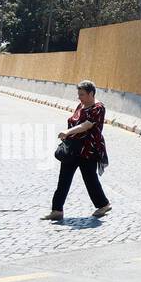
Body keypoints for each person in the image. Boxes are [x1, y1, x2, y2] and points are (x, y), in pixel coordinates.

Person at [43, 80, 111, 221]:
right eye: (78, 94)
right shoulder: (81, 105)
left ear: (91, 93)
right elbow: (75, 121)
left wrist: (67, 132)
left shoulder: (98, 108)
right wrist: (68, 135)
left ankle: (103, 204)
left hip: (88, 150)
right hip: (73, 149)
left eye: (82, 94)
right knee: (63, 179)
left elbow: (86, 125)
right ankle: (57, 210)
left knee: (90, 179)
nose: (79, 97)